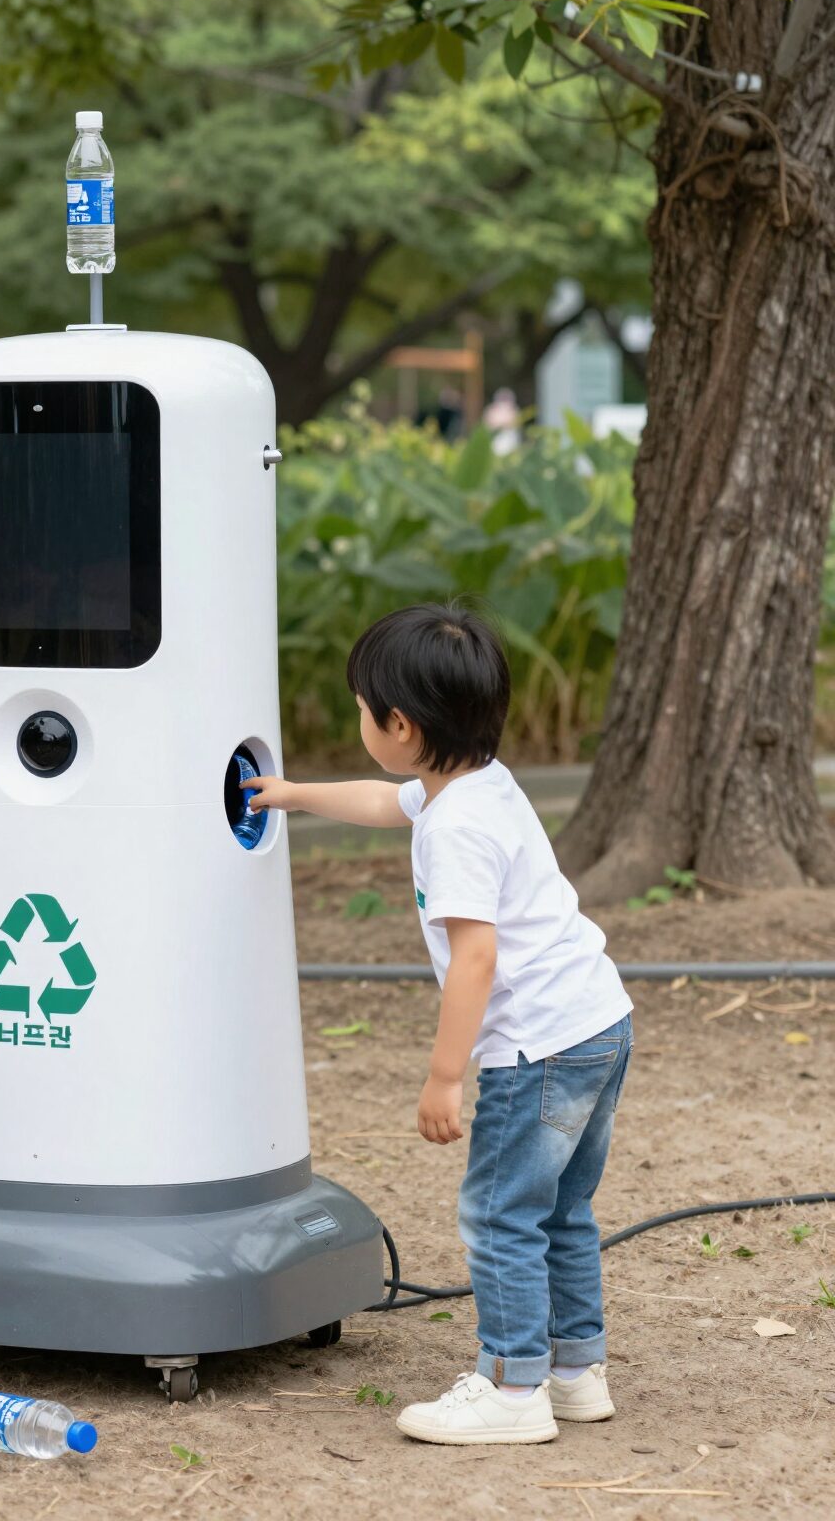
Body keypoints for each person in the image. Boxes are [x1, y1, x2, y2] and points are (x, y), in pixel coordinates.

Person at [245, 603, 632, 1447]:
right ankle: (575, 1370)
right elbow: (390, 804)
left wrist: (446, 1075)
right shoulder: (475, 785)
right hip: (598, 1023)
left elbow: (477, 960)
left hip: (537, 1050)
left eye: (361, 708)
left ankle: (511, 1384)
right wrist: (290, 796)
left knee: (500, 1217)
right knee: (562, 1211)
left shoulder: (457, 826)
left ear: (401, 724)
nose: (359, 721)